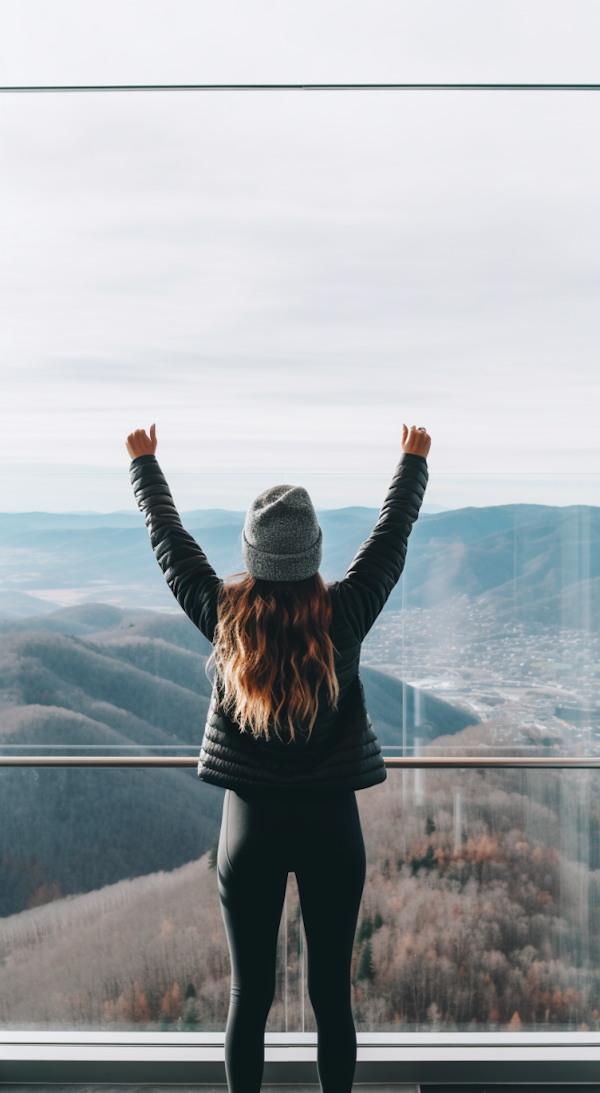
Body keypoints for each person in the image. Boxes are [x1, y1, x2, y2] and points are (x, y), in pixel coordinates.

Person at [126, 423, 430, 1093]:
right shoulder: (344, 614)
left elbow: (171, 548)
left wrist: (145, 464)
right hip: (331, 825)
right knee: (331, 997)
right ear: (314, 551)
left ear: (252, 553)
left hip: (252, 826)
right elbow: (391, 538)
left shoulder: (226, 618)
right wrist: (412, 460)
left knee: (249, 995)